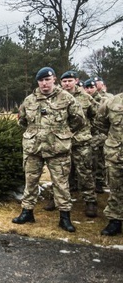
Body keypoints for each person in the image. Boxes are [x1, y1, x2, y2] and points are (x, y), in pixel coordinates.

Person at [12, 67, 86, 232]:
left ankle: (64, 218)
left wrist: (63, 134)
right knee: (30, 182)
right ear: (38, 82)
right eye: (41, 80)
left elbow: (79, 120)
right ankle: (27, 212)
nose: (44, 83)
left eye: (47, 79)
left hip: (58, 150)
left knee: (61, 184)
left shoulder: (66, 98)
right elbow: (22, 121)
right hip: (34, 149)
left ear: (54, 79)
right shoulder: (29, 100)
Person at [44, 71, 98, 217]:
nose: (67, 84)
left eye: (70, 81)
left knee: (85, 172)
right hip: (61, 142)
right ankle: (56, 199)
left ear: (76, 81)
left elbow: (97, 116)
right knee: (60, 173)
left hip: (81, 142)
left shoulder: (86, 98)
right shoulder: (55, 97)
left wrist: (88, 131)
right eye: (64, 81)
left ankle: (90, 201)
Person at [93, 92, 123, 236]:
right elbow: (100, 122)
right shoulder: (112, 102)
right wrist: (114, 139)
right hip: (115, 154)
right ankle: (115, 221)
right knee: (115, 188)